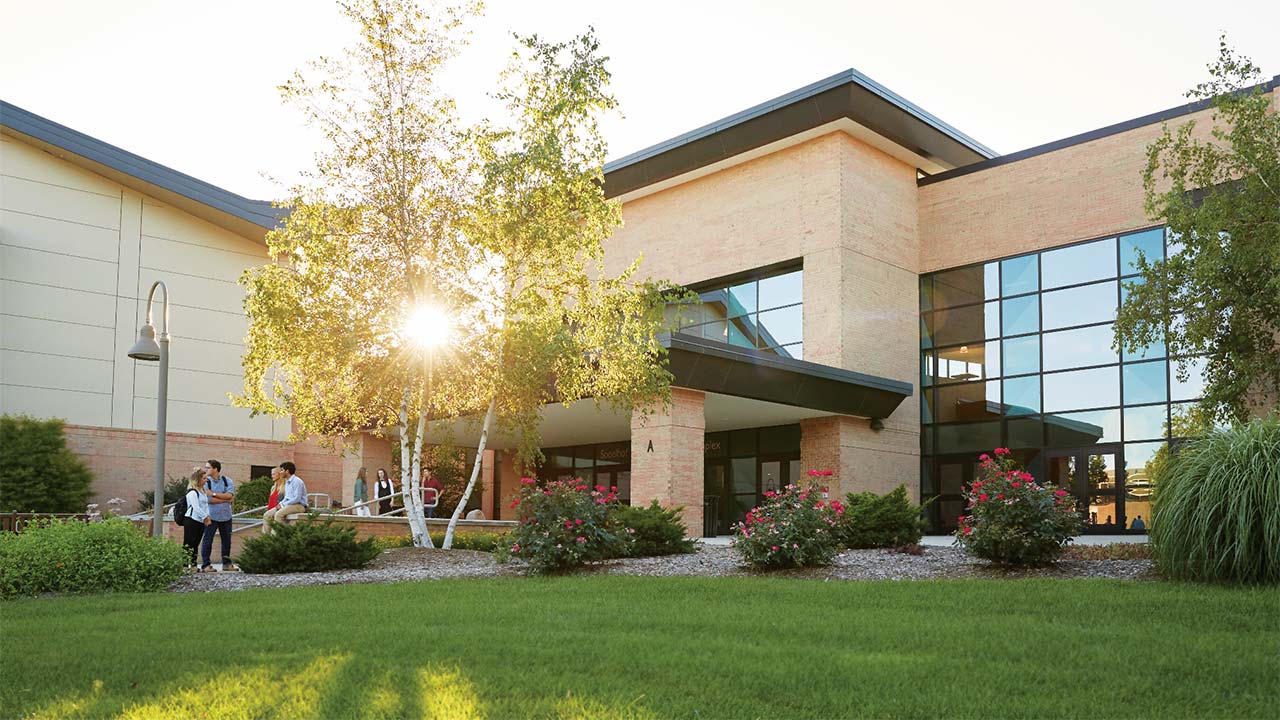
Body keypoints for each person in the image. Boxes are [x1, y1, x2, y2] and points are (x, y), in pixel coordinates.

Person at [200, 459, 237, 572]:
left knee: (226, 541)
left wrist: (215, 494)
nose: (206, 470)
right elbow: (208, 499)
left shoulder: (227, 481)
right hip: (211, 516)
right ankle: (206, 565)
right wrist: (225, 499)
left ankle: (226, 564)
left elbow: (230, 495)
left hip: (226, 516)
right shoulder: (206, 482)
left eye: (208, 468)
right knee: (207, 540)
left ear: (215, 469)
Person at [182, 468, 211, 570]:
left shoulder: (202, 491)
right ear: (198, 479)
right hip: (191, 519)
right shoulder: (192, 492)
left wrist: (207, 516)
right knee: (189, 543)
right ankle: (185, 565)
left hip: (200, 521)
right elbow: (196, 507)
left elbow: (206, 505)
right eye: (204, 478)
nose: (206, 480)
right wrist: (205, 517)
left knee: (195, 544)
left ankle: (193, 565)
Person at [272, 461, 308, 527]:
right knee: (267, 515)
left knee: (278, 515)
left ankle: (278, 536)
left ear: (287, 471)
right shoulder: (287, 482)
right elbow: (286, 498)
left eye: (282, 470)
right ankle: (267, 536)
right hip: (289, 505)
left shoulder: (297, 481)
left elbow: (297, 498)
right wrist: (280, 504)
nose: (280, 472)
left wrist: (283, 504)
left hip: (299, 506)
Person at [261, 467, 287, 534]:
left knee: (273, 533)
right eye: (271, 474)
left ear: (279, 475)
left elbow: (286, 501)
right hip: (270, 512)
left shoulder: (285, 487)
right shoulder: (273, 488)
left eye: (273, 474)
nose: (272, 476)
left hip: (277, 512)